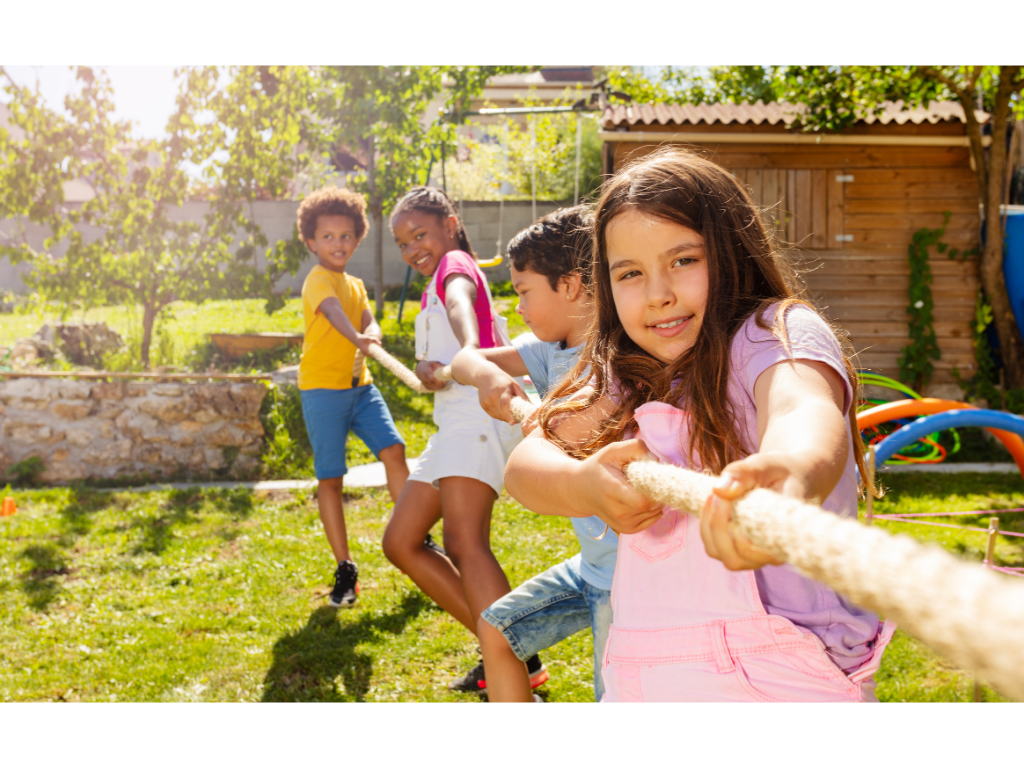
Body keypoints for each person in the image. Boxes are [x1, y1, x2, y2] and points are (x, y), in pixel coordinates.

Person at [505, 148, 894, 703]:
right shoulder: (629, 373)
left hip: (786, 673)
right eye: (631, 273)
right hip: (649, 668)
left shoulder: (772, 333)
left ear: (733, 254)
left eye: (684, 260)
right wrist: (582, 482)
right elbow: (525, 465)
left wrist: (786, 475)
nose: (659, 292)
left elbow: (802, 408)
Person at [380, 187, 542, 693]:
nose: (413, 249)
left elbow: (459, 301)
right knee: (401, 541)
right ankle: (514, 652)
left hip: (479, 414)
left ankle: (510, 664)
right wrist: (433, 368)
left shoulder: (454, 264)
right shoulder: (432, 283)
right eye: (403, 243)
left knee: (463, 542)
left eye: (420, 234)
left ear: (450, 224)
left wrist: (470, 350)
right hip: (452, 422)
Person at [449, 206, 615, 702]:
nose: (517, 307)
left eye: (524, 291)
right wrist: (487, 375)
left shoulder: (620, 359)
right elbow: (465, 359)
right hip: (592, 566)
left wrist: (537, 414)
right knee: (498, 632)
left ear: (571, 284)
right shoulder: (548, 351)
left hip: (629, 579)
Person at [297, 186, 408, 609]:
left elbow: (365, 316)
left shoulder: (356, 284)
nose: (337, 244)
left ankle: (413, 532)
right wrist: (359, 336)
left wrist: (373, 332)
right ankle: (345, 567)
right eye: (327, 237)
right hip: (322, 390)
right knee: (331, 476)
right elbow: (335, 314)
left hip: (360, 388)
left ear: (357, 239)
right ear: (312, 242)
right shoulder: (317, 280)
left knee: (394, 449)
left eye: (345, 236)